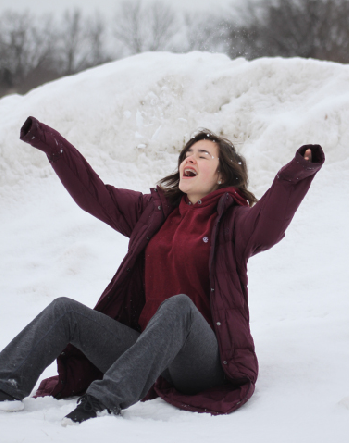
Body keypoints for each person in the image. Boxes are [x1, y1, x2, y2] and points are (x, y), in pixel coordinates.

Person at [0, 116, 324, 425]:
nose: (189, 160)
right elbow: (94, 195)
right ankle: (6, 385)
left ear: (222, 175)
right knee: (64, 311)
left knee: (179, 307)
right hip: (143, 354)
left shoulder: (232, 222)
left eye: (203, 155)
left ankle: (104, 402)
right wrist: (51, 144)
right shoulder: (152, 213)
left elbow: (267, 226)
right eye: (187, 154)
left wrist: (295, 174)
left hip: (201, 362)